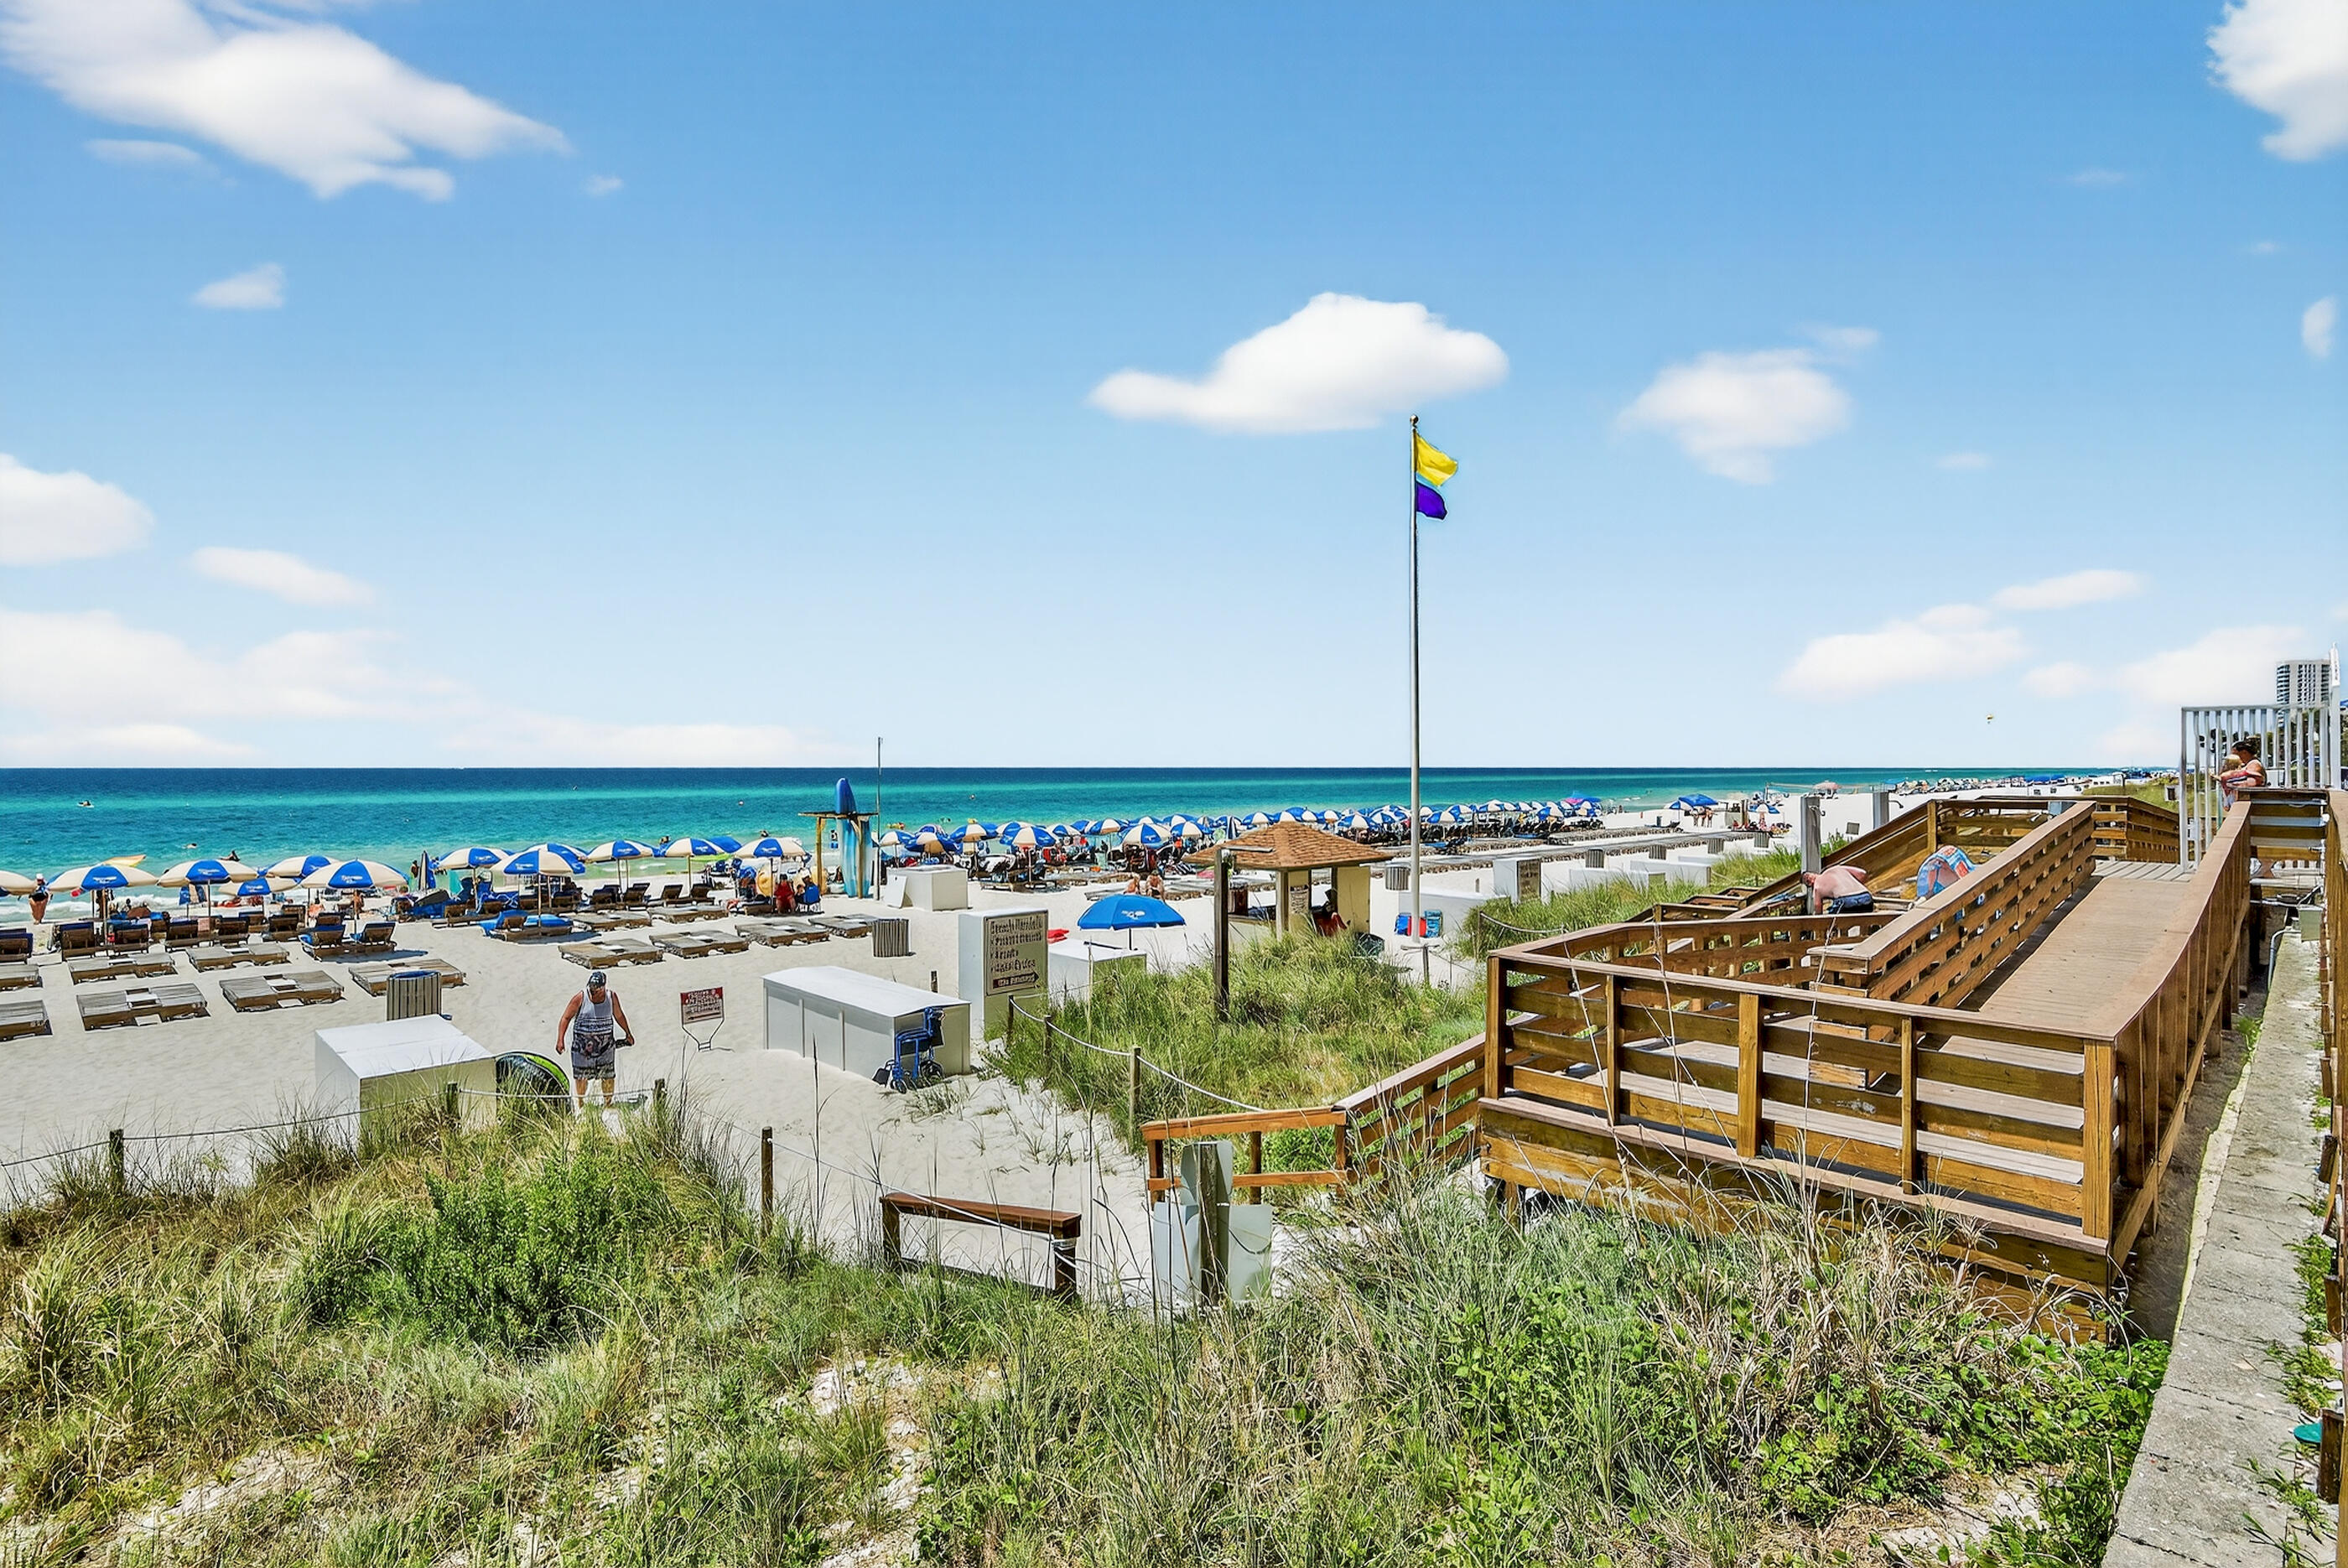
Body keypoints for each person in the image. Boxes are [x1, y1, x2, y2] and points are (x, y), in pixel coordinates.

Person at [556, 969, 633, 1109]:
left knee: (608, 1076)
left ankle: (608, 1103)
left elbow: (619, 1016)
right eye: (591, 988)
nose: (593, 992)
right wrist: (560, 1040)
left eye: (596, 989)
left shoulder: (611, 997)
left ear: (603, 987)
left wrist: (628, 1033)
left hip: (605, 1046)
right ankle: (581, 1104)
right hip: (582, 1048)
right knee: (581, 1077)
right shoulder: (580, 997)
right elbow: (566, 1018)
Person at [1802, 865, 1873, 916]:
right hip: (1866, 897)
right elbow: (1862, 874)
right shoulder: (1837, 868)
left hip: (1846, 901)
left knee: (1831, 920)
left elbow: (1817, 906)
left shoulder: (1816, 886)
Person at [2216, 736, 2266, 807]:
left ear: (2244, 753)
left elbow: (2251, 782)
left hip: (2250, 802)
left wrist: (2229, 777)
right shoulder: (2246, 765)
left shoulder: (2254, 764)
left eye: (2235, 754)